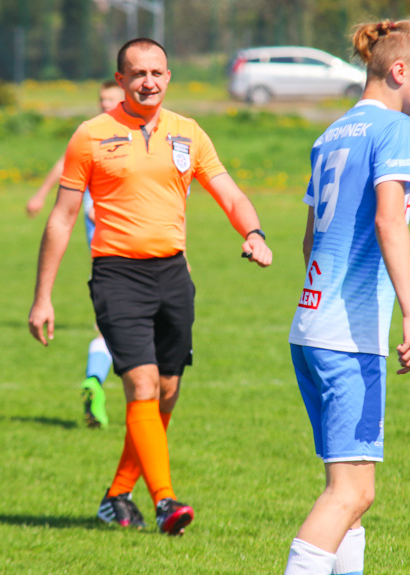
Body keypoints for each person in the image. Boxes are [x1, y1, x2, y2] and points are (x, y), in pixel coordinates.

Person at [27, 37, 272, 536]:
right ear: (120, 80)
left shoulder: (189, 133)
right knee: (139, 384)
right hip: (118, 275)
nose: (148, 82)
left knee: (166, 390)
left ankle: (118, 494)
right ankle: (165, 502)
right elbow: (62, 219)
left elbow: (229, 192)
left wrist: (253, 232)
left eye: (157, 73)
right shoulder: (91, 136)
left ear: (168, 77)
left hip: (174, 275)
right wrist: (42, 296)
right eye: (138, 73)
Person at [285, 19, 410, 575]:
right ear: (399, 71)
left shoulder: (330, 134)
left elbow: (309, 240)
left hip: (309, 329)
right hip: (347, 338)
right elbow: (388, 222)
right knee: (348, 495)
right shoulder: (394, 129)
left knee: (352, 494)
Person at [26, 80, 124, 429]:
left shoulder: (116, 136)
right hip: (121, 255)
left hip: (112, 256)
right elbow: (64, 167)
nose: (104, 103)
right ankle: (101, 383)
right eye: (101, 98)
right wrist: (41, 195)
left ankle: (95, 379)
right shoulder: (96, 135)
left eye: (110, 98)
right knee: (127, 332)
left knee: (110, 327)